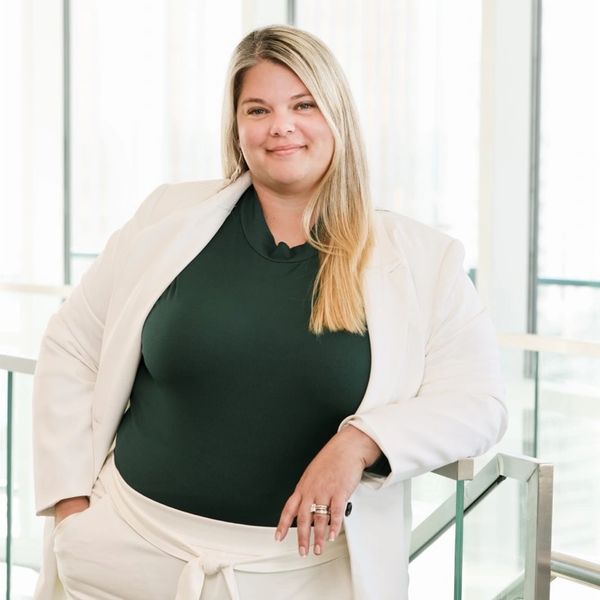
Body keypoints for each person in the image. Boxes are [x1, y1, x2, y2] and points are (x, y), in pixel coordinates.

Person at [32, 24, 507, 600]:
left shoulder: (424, 260)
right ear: (237, 128)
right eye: (258, 109)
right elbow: (72, 347)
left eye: (303, 104)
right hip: (125, 554)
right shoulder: (166, 215)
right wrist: (71, 510)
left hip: (299, 577)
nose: (280, 126)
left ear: (337, 116)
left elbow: (479, 405)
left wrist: (360, 443)